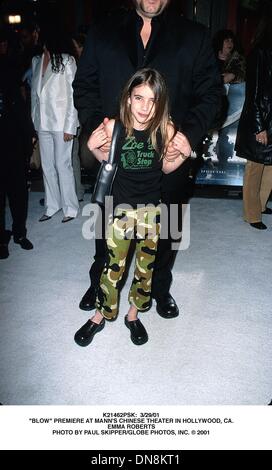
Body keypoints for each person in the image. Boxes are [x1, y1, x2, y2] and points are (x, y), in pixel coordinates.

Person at [73, 0, 221, 318]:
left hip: (169, 152)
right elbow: (84, 86)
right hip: (114, 152)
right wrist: (93, 126)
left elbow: (212, 94)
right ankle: (102, 282)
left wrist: (188, 136)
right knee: (107, 223)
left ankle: (158, 287)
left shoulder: (194, 36)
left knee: (164, 226)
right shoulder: (103, 31)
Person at [74, 68, 189, 346]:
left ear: (160, 104)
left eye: (152, 101)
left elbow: (167, 167)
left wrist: (184, 155)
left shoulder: (165, 129)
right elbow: (104, 161)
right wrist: (91, 147)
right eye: (139, 98)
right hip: (121, 211)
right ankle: (101, 314)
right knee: (112, 266)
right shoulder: (115, 127)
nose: (145, 107)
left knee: (144, 269)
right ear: (128, 98)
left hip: (151, 211)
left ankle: (134, 314)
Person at [31, 31, 79, 223]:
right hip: (41, 122)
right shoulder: (36, 60)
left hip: (61, 123)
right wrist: (33, 121)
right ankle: (52, 205)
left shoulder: (67, 60)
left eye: (37, 33)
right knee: (47, 166)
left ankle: (70, 208)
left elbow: (73, 95)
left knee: (63, 165)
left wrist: (70, 125)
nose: (34, 36)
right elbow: (35, 95)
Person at [235, 13, 272, 230]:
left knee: (270, 166)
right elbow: (256, 91)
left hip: (270, 118)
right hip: (261, 118)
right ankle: (251, 213)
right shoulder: (259, 53)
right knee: (256, 166)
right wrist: (259, 126)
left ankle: (260, 203)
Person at [0, 32, 35, 259]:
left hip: (12, 136)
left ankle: (19, 233)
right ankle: (2, 238)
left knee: (18, 190)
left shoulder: (9, 65)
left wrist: (29, 134)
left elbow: (19, 103)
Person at [212, 29, 246, 169]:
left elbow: (233, 76)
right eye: (226, 40)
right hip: (213, 108)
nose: (230, 43)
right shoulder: (209, 58)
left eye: (232, 40)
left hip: (231, 112)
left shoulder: (238, 60)